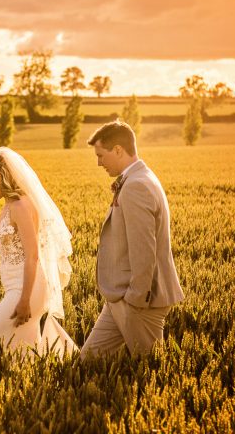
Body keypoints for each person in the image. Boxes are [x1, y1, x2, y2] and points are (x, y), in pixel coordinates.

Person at [81, 120, 184, 358]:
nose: (98, 163)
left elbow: (144, 250)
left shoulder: (136, 185)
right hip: (119, 297)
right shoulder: (138, 178)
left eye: (100, 155)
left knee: (151, 370)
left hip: (139, 301)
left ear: (118, 150)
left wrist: (136, 299)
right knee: (87, 363)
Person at [0, 147, 77, 356]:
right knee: (21, 353)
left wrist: (24, 300)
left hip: (26, 290)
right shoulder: (10, 204)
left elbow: (33, 255)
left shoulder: (20, 205)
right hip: (17, 287)